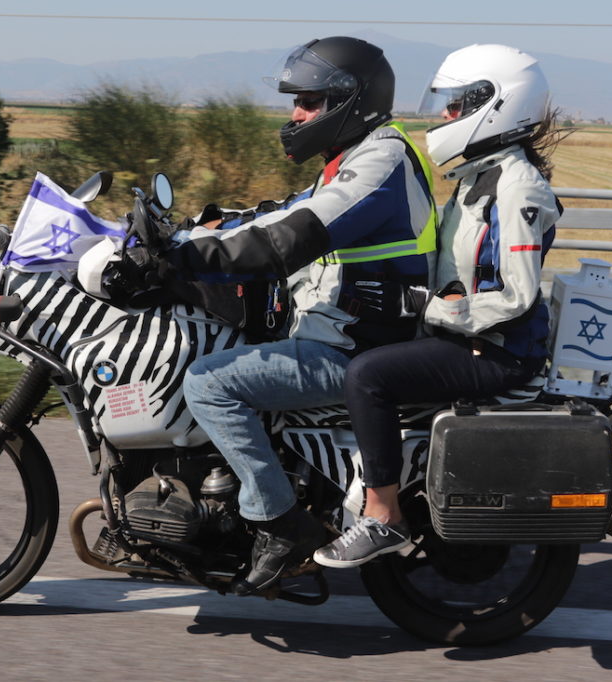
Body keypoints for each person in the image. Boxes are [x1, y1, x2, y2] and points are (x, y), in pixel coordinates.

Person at [89, 36, 438, 595]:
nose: (295, 114)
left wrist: (186, 257)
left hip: (356, 345)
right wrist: (198, 230)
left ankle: (278, 525)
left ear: (351, 100)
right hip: (341, 328)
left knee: (207, 383)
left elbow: (293, 236)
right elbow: (280, 211)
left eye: (309, 102)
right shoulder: (354, 159)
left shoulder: (383, 159)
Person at [313, 44, 565, 568]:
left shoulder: (516, 189)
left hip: (496, 350)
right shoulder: (479, 179)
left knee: (366, 377)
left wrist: (426, 307)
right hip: (468, 336)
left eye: (457, 104)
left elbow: (514, 297)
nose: (446, 116)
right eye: (447, 104)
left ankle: (382, 517)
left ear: (497, 104)